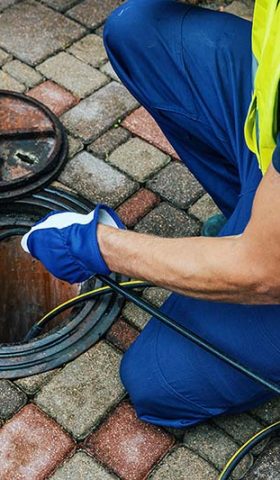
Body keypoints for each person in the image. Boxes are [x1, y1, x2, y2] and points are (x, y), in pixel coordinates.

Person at [22, 0, 280, 429]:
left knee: (157, 381)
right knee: (138, 27)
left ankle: (254, 235)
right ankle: (257, 214)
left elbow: (263, 272)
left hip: (267, 267)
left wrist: (97, 245)